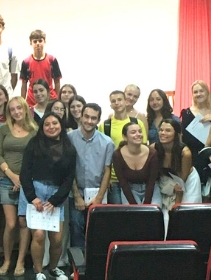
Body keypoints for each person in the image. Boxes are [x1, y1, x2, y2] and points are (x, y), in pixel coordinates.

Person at [20, 113, 76, 280]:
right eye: (47, 124)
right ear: (42, 127)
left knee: (57, 239)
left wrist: (56, 199)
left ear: (61, 125)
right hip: (36, 192)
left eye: (55, 123)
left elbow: (69, 178)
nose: (51, 127)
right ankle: (38, 273)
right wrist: (32, 197)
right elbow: (25, 172)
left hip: (56, 195)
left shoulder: (69, 148)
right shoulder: (34, 144)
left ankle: (53, 268)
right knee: (38, 235)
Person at [0, 96, 37, 277]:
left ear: (25, 109)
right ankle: (7, 260)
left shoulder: (35, 130)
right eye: (12, 109)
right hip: (6, 180)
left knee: (23, 222)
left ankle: (20, 261)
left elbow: (37, 157)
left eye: (19, 108)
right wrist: (12, 177)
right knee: (11, 224)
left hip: (28, 182)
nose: (16, 112)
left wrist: (23, 180)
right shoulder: (3, 129)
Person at [67, 103, 114, 249]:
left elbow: (107, 171)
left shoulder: (107, 143)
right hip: (76, 191)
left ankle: (94, 261)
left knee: (97, 231)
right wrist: (77, 196)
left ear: (98, 120)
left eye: (93, 118)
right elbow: (68, 169)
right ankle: (78, 262)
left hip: (97, 192)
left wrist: (99, 197)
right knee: (76, 228)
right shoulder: (69, 138)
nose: (89, 121)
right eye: (86, 116)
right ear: (81, 116)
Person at [102, 90, 147, 202]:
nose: (117, 103)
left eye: (119, 100)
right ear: (110, 105)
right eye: (113, 101)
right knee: (118, 210)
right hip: (113, 179)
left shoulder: (137, 123)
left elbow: (144, 148)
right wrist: (106, 178)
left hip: (132, 178)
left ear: (125, 101)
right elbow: (103, 154)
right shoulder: (105, 125)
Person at [155, 119, 202, 210]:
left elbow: (181, 184)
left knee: (185, 211)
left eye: (168, 130)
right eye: (161, 130)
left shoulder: (185, 153)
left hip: (186, 180)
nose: (163, 133)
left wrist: (176, 206)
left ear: (177, 134)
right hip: (166, 180)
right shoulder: (154, 148)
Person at [112, 121, 159, 204]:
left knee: (154, 211)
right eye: (133, 132)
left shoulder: (152, 153)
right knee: (132, 211)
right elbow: (123, 182)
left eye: (140, 131)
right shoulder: (117, 155)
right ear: (125, 137)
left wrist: (146, 204)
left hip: (151, 188)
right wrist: (134, 206)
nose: (138, 134)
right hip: (129, 189)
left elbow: (152, 181)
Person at [180, 80, 211, 177]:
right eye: (195, 92)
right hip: (192, 157)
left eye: (201, 91)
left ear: (207, 92)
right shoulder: (186, 113)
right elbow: (184, 138)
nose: (198, 94)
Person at [20, 30, 62, 106]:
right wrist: (22, 103)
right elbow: (24, 84)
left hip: (50, 100)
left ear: (44, 42)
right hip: (32, 101)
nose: (38, 44)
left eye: (40, 41)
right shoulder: (26, 62)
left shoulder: (52, 60)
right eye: (35, 41)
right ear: (31, 43)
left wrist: (58, 100)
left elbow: (57, 81)